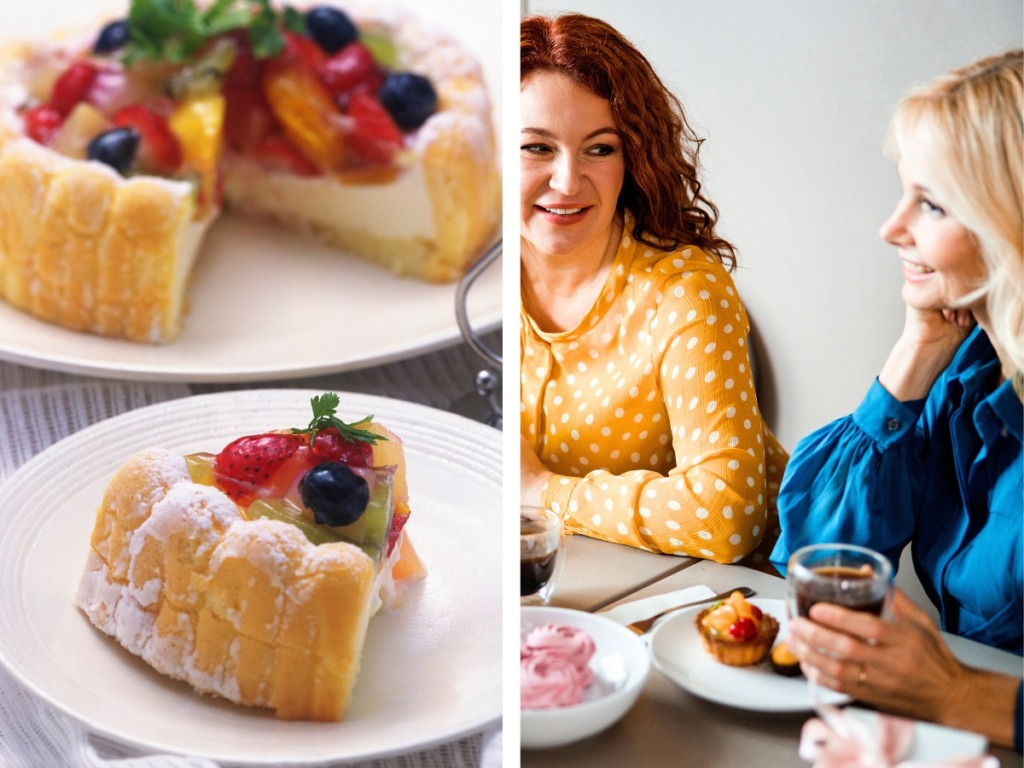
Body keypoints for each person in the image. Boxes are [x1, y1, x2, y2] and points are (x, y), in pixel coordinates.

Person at [771, 50, 1023, 750]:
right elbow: (818, 566)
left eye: (932, 204)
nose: (891, 228)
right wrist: (917, 350)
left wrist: (957, 692)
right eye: (903, 192)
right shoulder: (971, 368)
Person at [519, 13, 787, 564]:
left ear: (633, 158)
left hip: (705, 597)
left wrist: (542, 491)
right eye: (537, 148)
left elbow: (726, 516)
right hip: (563, 585)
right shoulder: (478, 282)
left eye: (600, 148)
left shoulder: (686, 292)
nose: (567, 181)